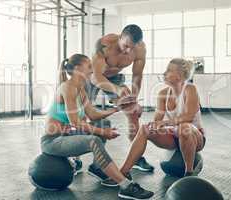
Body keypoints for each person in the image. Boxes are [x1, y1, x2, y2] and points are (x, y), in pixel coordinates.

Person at [42, 54, 154, 199]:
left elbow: (93, 115)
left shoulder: (80, 89)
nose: (92, 70)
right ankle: (125, 185)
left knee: (104, 123)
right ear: (77, 69)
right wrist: (103, 132)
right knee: (93, 140)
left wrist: (116, 108)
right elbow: (76, 123)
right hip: (52, 141)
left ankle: (96, 167)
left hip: (67, 135)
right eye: (89, 66)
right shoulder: (67, 87)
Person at [115, 58, 206, 181]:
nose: (164, 73)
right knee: (145, 129)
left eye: (168, 70)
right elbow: (157, 120)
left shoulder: (190, 89)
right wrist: (144, 120)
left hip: (195, 136)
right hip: (175, 136)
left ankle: (189, 174)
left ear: (179, 76)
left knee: (184, 127)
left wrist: (164, 123)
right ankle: (123, 172)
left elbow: (188, 117)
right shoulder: (163, 93)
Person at [86, 24, 154, 173]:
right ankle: (74, 159)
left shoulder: (140, 49)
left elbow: (137, 75)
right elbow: (96, 77)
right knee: (81, 114)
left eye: (132, 47)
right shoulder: (104, 44)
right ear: (120, 37)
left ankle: (136, 158)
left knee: (133, 113)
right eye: (126, 46)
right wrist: (117, 89)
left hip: (115, 78)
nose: (128, 51)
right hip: (92, 77)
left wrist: (133, 99)